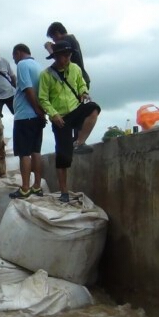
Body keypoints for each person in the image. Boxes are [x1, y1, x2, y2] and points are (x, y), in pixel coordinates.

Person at [38, 41, 100, 203]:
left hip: (76, 109)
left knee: (94, 108)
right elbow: (43, 99)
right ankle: (64, 192)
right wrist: (53, 114)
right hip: (60, 117)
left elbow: (81, 85)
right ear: (55, 56)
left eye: (67, 56)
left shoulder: (75, 68)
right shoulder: (46, 75)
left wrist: (84, 93)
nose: (65, 59)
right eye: (62, 56)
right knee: (63, 157)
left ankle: (79, 141)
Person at [8, 44, 46, 199]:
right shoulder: (39, 66)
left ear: (18, 53)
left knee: (24, 153)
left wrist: (36, 108)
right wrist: (40, 112)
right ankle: (37, 186)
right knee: (36, 151)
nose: (15, 61)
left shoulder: (23, 65)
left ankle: (25, 188)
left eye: (14, 57)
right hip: (38, 117)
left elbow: (28, 89)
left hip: (25, 116)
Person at [45, 22, 90, 88]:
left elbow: (60, 60)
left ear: (57, 33)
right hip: (82, 77)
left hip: (78, 79)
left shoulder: (67, 40)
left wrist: (49, 48)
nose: (53, 41)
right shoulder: (71, 38)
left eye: (52, 37)